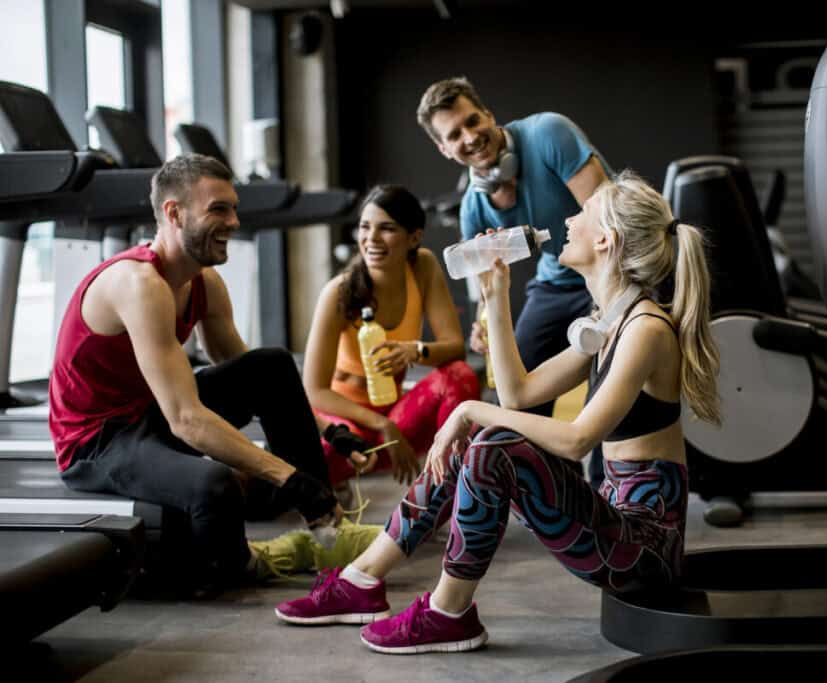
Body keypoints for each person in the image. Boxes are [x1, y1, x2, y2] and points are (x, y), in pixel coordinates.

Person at [274, 171, 722, 656]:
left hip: (643, 551)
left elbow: (576, 440)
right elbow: (517, 394)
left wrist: (468, 410)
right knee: (483, 439)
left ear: (605, 240)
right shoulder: (606, 322)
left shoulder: (645, 329)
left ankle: (449, 612)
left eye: (581, 214)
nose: (568, 220)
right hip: (612, 526)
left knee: (492, 445)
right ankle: (361, 579)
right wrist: (494, 293)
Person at [49, 154, 366, 589]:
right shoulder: (140, 285)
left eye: (234, 208)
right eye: (218, 209)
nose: (234, 221)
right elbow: (186, 419)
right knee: (214, 485)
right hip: (98, 443)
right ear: (174, 213)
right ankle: (243, 565)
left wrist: (329, 431)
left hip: (147, 415)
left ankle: (327, 526)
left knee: (271, 364)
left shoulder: (204, 283)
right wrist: (288, 477)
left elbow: (262, 381)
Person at [416, 78, 611, 428]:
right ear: (443, 149)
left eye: (472, 121)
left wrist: (606, 306)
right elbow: (485, 288)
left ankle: (602, 476)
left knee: (610, 380)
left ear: (489, 115)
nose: (470, 137)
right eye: (455, 135)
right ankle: (535, 475)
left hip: (614, 267)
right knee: (517, 388)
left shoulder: (549, 133)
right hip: (557, 279)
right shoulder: (473, 208)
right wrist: (483, 322)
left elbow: (609, 220)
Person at [303, 184, 480, 488]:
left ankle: (443, 496)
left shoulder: (423, 266)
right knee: (333, 450)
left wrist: (416, 350)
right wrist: (382, 425)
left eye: (386, 229)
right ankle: (323, 489)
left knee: (460, 376)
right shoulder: (337, 292)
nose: (371, 239)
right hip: (347, 422)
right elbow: (314, 391)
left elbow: (455, 351)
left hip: (396, 415)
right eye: (364, 227)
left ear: (414, 238)